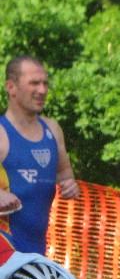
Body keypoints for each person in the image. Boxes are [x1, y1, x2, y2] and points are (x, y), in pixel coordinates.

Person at [0, 55, 80, 255]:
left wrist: (70, 184)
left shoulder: (52, 129)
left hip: (35, 254)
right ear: (11, 87)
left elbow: (65, 175)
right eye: (34, 83)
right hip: (4, 256)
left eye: (45, 83)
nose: (42, 90)